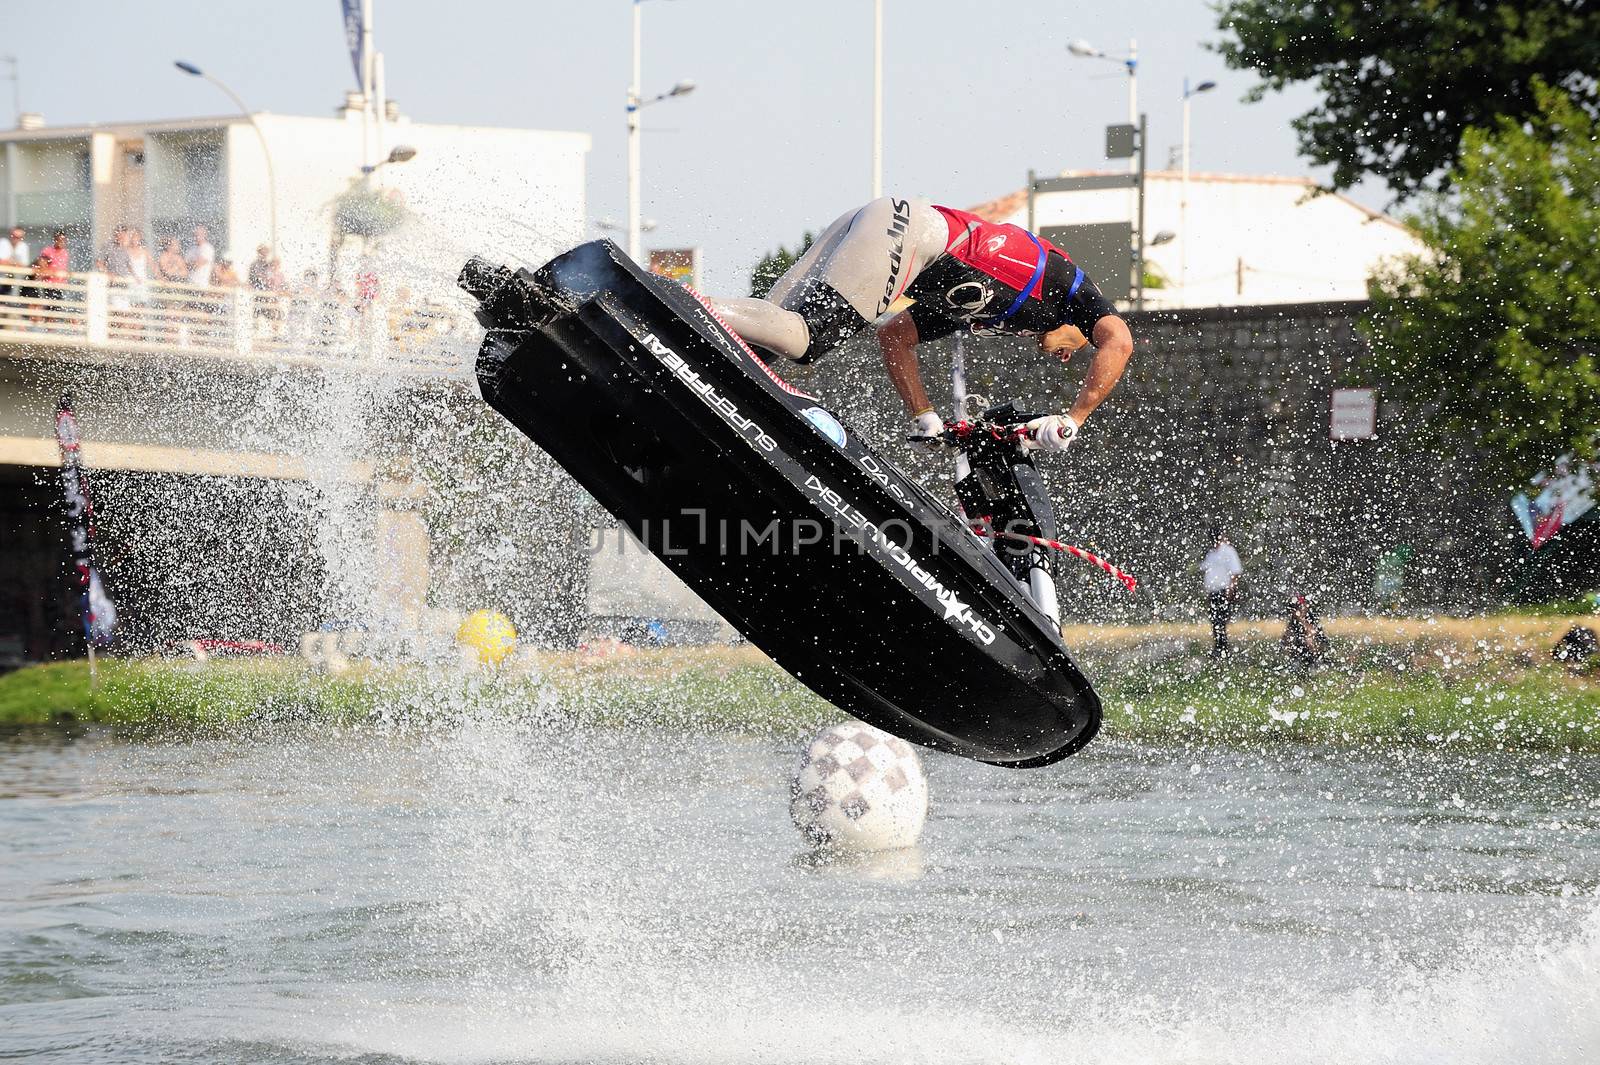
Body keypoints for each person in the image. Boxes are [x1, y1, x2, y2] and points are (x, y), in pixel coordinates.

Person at [713, 196, 1134, 450]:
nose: (1065, 356)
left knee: (756, 350)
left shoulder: (986, 308)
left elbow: (895, 336)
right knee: (805, 339)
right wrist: (1072, 421)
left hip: (885, 219)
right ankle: (681, 299)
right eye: (1077, 347)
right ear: (1082, 325)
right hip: (908, 231)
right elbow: (1119, 341)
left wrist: (924, 415)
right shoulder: (1067, 284)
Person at [1200, 526, 1243, 659]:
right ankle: (1218, 647)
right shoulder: (1211, 554)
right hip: (1214, 591)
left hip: (1224, 590)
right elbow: (1207, 571)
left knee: (1221, 620)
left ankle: (1223, 648)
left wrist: (1231, 588)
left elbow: (1235, 572)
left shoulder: (1228, 552)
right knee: (1215, 620)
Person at [1281, 592, 1329, 671]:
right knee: (1289, 638)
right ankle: (1294, 662)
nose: (1298, 609)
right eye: (1296, 607)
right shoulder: (1293, 620)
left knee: (1308, 638)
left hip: (1315, 646)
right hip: (1300, 648)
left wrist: (1301, 620)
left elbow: (1313, 632)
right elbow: (1286, 636)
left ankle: (1316, 662)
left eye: (1300, 607)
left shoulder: (1310, 617)